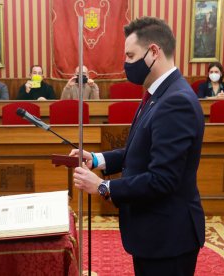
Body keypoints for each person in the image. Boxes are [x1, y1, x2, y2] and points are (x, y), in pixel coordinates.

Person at [70, 17, 205, 276]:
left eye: (131, 56)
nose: (126, 65)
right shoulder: (158, 94)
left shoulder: (176, 101)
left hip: (169, 238)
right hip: (154, 232)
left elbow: (162, 179)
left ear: (154, 52)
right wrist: (97, 159)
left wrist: (102, 186)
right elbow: (139, 151)